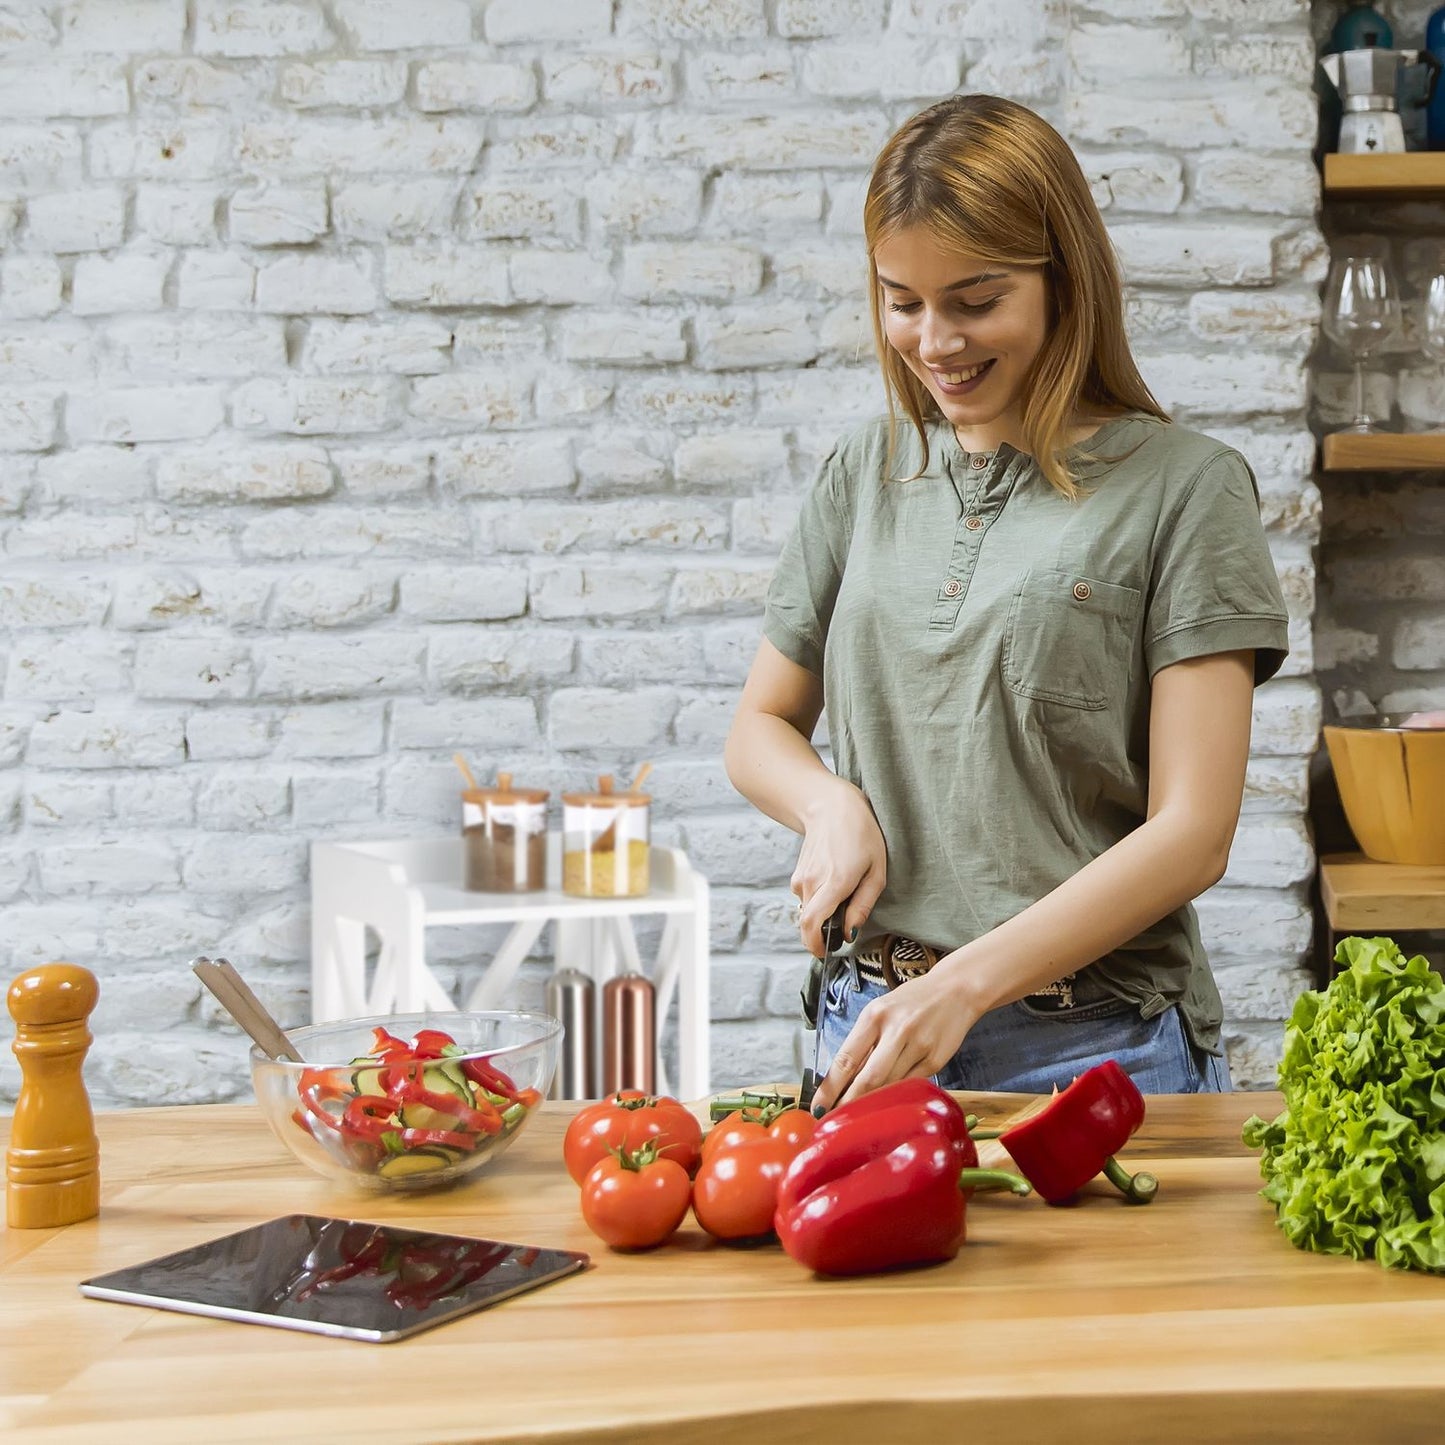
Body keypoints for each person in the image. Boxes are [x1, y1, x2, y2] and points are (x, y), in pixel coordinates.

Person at [723, 93, 1290, 1113]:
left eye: (974, 301)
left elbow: (1193, 830)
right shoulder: (866, 469)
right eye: (902, 300)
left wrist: (963, 983)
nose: (933, 339)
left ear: (1061, 283)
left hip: (1095, 1051)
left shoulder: (1187, 487)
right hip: (869, 1029)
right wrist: (827, 802)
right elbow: (759, 725)